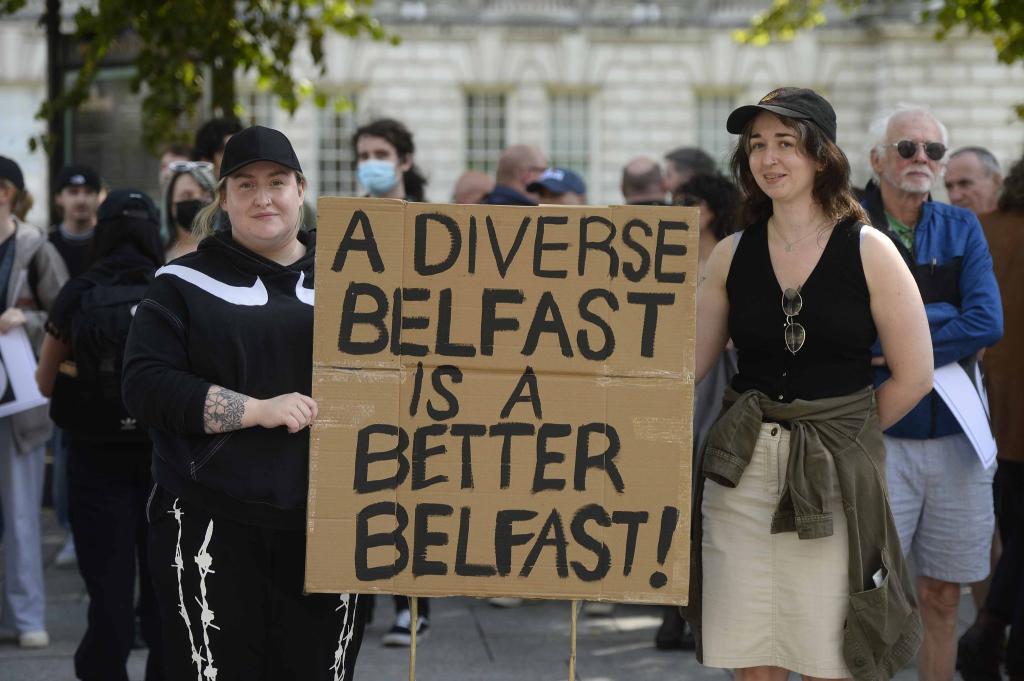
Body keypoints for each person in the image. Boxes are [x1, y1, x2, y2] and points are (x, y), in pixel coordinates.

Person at [690, 87, 933, 681]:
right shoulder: (728, 255)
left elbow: (915, 375)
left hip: (834, 478)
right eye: (756, 146)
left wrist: (846, 432)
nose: (768, 159)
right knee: (751, 655)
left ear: (821, 155)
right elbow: (684, 368)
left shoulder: (870, 248)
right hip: (739, 472)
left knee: (831, 657)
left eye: (785, 144)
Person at [122, 126, 366, 678]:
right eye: (245, 185)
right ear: (224, 198)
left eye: (277, 182)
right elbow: (145, 386)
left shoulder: (355, 280)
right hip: (210, 518)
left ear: (300, 189)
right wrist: (256, 409)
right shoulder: (180, 284)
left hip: (329, 521)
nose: (263, 198)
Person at [861, 105, 1004, 681]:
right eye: (907, 148)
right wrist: (944, 317)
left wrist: (896, 338)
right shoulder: (846, 227)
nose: (922, 159)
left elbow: (987, 322)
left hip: (955, 434)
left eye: (934, 151)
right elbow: (845, 329)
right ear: (877, 160)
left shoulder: (961, 227)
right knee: (870, 595)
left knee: (944, 593)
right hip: (875, 432)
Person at [36, 189, 165, 681]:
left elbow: (46, 382)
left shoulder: (79, 291)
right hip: (164, 463)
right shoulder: (172, 287)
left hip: (94, 462)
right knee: (164, 597)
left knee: (108, 598)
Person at [350, 116, 434, 645]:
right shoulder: (347, 224)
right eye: (362, 155)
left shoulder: (433, 221)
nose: (371, 164)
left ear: (404, 160)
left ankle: (412, 604)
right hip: (362, 373)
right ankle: (357, 593)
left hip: (420, 375)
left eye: (380, 153)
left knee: (414, 488)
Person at [655, 172, 741, 651]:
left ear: (708, 208)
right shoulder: (668, 254)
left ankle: (696, 612)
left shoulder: (730, 255)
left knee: (703, 494)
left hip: (719, 387)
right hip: (677, 387)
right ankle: (674, 610)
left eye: (684, 200)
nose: (674, 206)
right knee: (675, 499)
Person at [957, 154, 1024, 681]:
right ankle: (993, 631)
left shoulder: (983, 231)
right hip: (1000, 407)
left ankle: (990, 631)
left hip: (991, 409)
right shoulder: (986, 230)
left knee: (1013, 529)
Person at [0, 155, 68, 649]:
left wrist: (27, 322)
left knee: (22, 509)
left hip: (18, 396)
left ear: (7, 192)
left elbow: (65, 315)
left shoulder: (33, 246)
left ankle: (26, 617)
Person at [48, 163, 103, 569]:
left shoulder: (109, 242)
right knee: (63, 453)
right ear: (59, 198)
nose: (80, 198)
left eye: (88, 191)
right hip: (59, 364)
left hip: (104, 364)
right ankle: (70, 530)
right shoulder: (45, 245)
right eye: (72, 191)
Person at [353, 118, 428, 203]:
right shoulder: (346, 213)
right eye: (364, 156)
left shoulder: (425, 214)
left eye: (381, 155)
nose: (371, 162)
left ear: (405, 161)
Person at [161, 160, 215, 260]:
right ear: (171, 206)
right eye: (187, 196)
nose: (198, 201)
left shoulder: (228, 253)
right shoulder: (157, 255)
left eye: (206, 195)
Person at [944, 146, 1003, 216]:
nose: (955, 197)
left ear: (996, 181)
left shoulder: (1016, 224)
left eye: (965, 184)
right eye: (949, 187)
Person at [482, 144, 547, 205]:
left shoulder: (479, 208)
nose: (545, 177)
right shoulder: (531, 214)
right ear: (526, 175)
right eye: (543, 171)